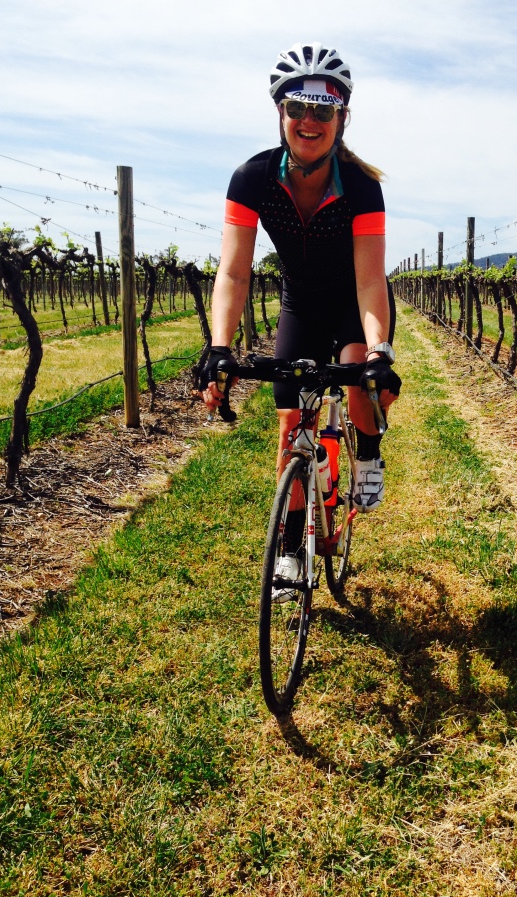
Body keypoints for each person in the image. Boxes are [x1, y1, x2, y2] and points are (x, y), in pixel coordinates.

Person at [199, 43, 400, 593]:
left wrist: (379, 353)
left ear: (341, 116)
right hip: (300, 303)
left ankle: (368, 456)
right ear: (280, 112)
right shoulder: (252, 179)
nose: (309, 121)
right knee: (291, 424)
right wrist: (220, 345)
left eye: (324, 110)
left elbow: (368, 281)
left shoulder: (361, 186)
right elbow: (235, 273)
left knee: (358, 383)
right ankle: (291, 547)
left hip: (354, 303)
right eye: (297, 108)